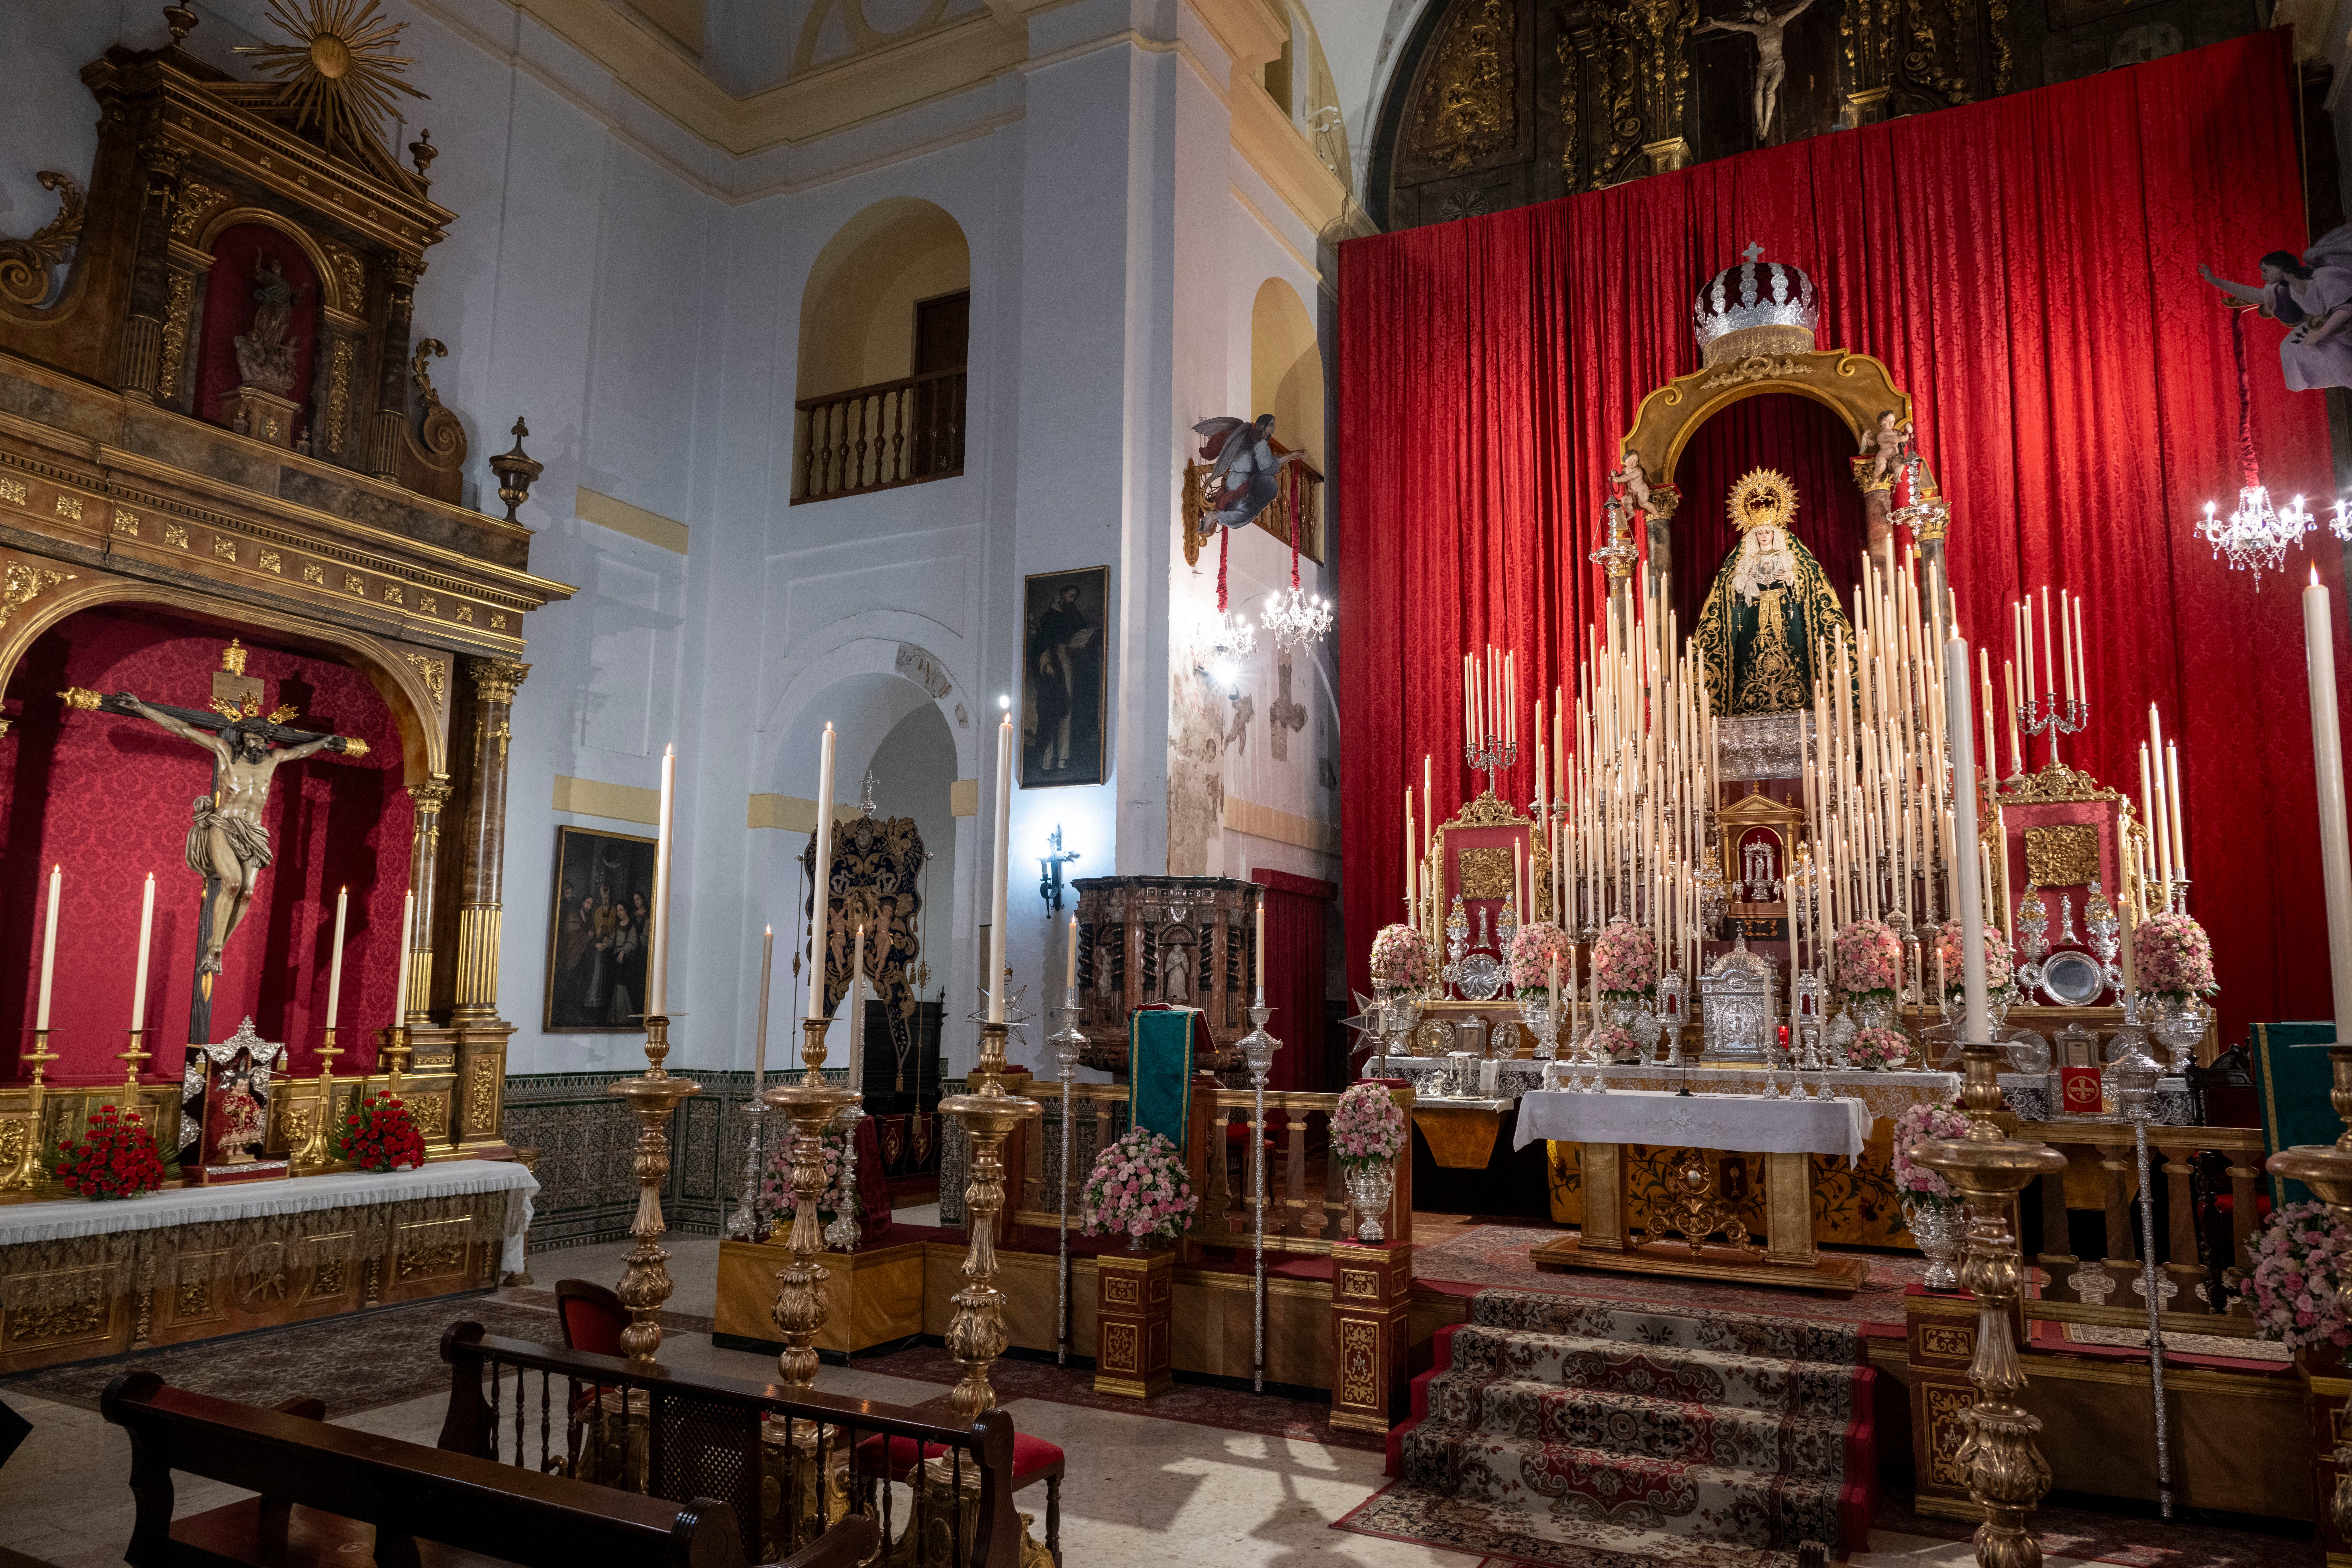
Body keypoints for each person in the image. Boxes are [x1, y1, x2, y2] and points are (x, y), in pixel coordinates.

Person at [1690, 467, 1856, 716]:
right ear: (1754, 535)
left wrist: (1793, 577)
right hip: (1754, 614)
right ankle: (1751, 702)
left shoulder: (1789, 554)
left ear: (1775, 533)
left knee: (1796, 648)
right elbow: (1727, 586)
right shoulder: (1746, 558)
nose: (1764, 536)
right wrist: (1743, 581)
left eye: (1767, 532)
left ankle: (1797, 699)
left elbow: (1813, 577)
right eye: (1759, 533)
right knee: (1750, 651)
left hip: (1788, 612)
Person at [2201, 228, 2352, 391]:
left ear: (2281, 267)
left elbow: (2346, 309)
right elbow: (2255, 295)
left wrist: (2321, 333)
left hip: (2344, 325)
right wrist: (2213, 280)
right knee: (2291, 348)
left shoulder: (2325, 277)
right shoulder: (2284, 289)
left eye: (2265, 270)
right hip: (2325, 327)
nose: (2263, 276)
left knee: (2321, 351)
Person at [1696, 0, 1817, 143]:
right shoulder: (1757, 29)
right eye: (1755, 19)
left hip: (1777, 65)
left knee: (1769, 90)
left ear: (1764, 10)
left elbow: (1798, 9)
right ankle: (1760, 122)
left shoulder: (1779, 22)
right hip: (1764, 67)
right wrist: (1716, 23)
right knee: (1759, 91)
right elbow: (1736, 26)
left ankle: (1766, 126)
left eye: (1758, 16)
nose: (1758, 20)